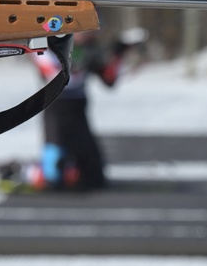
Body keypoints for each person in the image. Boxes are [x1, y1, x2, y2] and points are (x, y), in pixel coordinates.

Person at [32, 27, 146, 191]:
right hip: (55, 106)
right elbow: (58, 75)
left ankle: (75, 174)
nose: (90, 35)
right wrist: (86, 59)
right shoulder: (49, 44)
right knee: (54, 166)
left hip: (78, 107)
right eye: (84, 31)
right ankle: (41, 174)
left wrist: (119, 50)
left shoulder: (89, 48)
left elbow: (109, 79)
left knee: (93, 173)